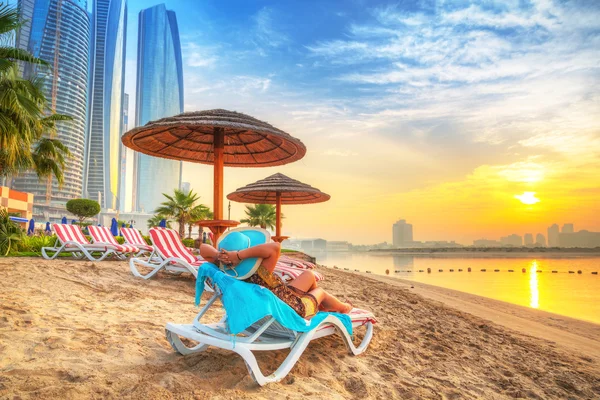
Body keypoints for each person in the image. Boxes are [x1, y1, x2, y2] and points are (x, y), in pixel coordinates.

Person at [200, 240, 352, 319]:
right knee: (321, 292)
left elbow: (202, 248)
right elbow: (275, 247)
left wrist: (219, 255)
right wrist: (238, 255)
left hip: (282, 297)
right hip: (292, 309)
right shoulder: (259, 273)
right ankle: (343, 307)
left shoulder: (225, 274)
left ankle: (319, 306)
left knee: (309, 275)